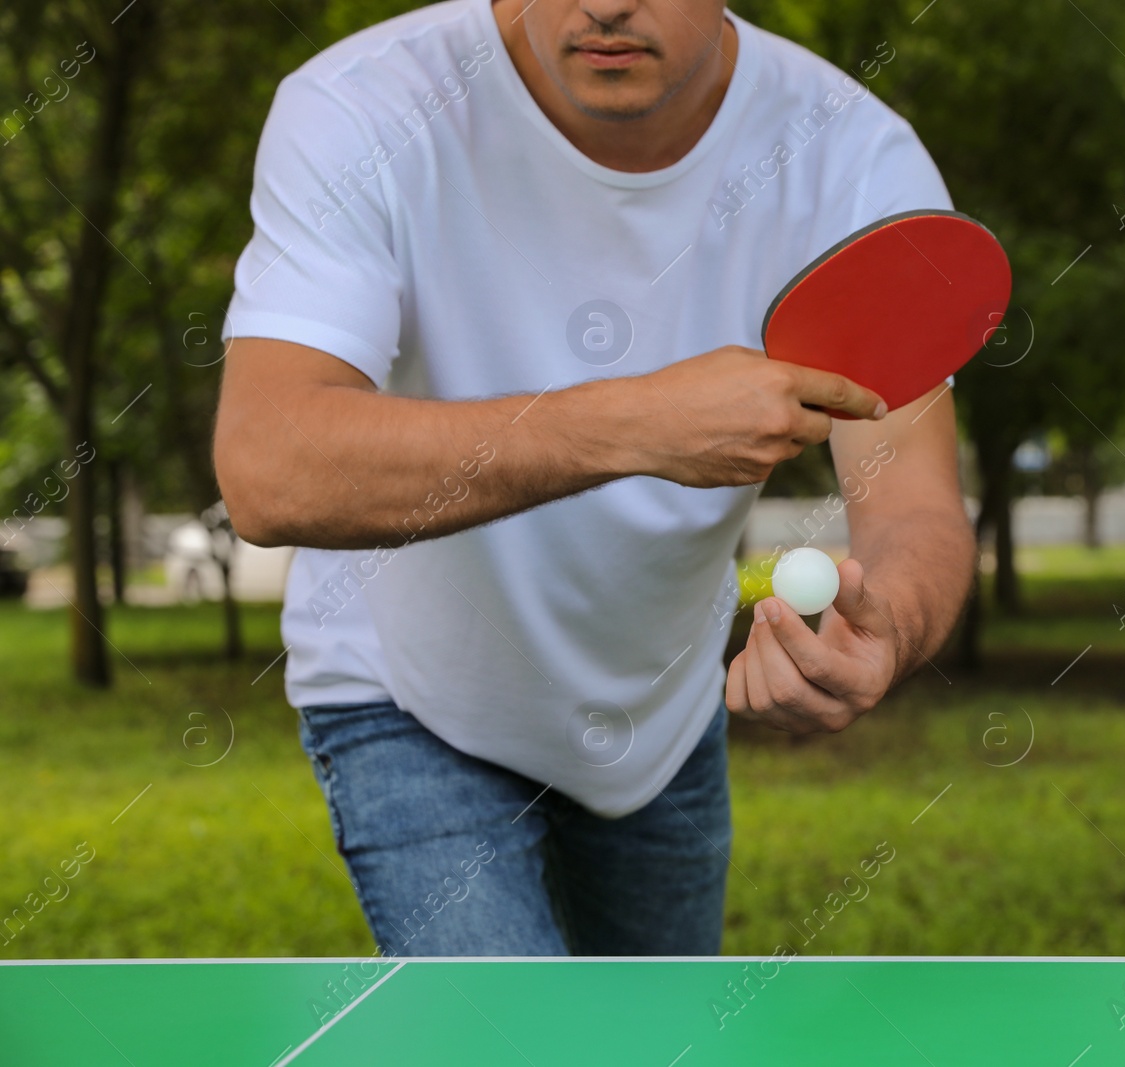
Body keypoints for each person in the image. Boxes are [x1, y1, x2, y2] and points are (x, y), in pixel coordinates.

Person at [213, 0, 974, 957]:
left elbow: (915, 505)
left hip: (659, 708)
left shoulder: (854, 159)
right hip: (408, 688)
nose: (605, 4)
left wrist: (888, 627)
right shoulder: (359, 108)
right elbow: (268, 468)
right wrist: (637, 422)